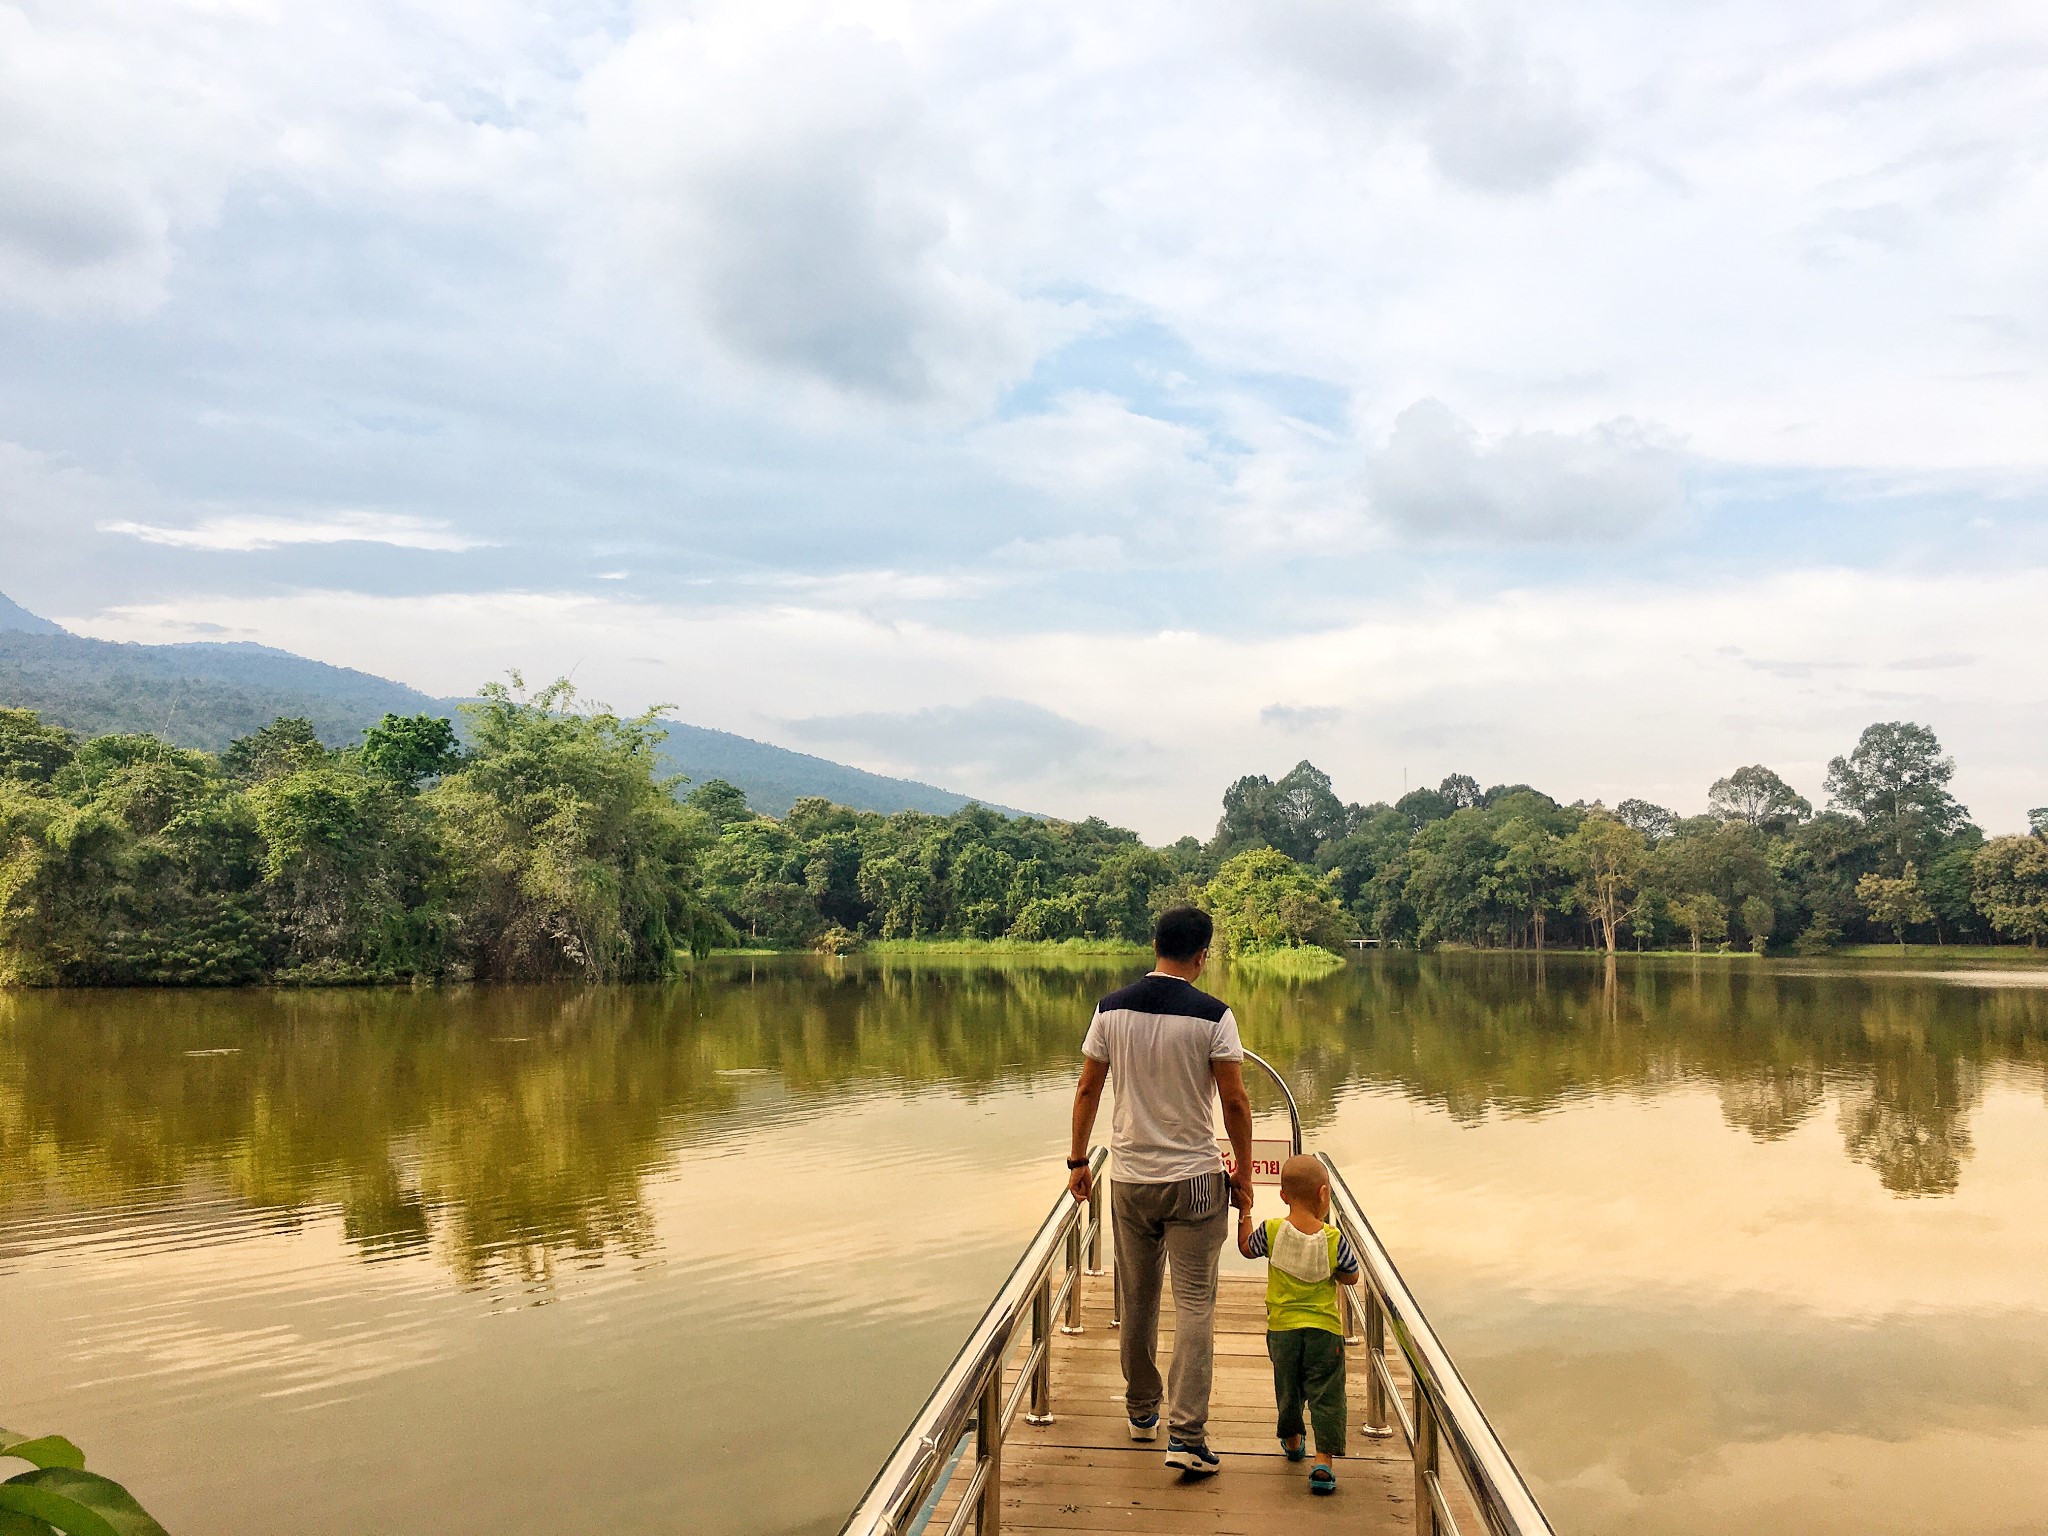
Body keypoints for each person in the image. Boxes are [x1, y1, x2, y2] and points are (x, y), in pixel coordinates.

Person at [1066, 906, 1254, 1477]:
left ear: (1155, 945)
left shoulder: (1109, 1009)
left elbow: (1087, 1088)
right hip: (1196, 1179)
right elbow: (1236, 1102)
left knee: (1138, 1298)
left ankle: (1141, 1413)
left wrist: (1078, 1160)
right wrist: (1243, 1176)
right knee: (1195, 1303)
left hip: (1129, 1177)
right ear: (1202, 955)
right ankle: (1187, 1435)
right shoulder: (1214, 1015)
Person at [1237, 1153, 1361, 1496]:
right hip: (1325, 1332)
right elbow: (1351, 1275)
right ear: (1324, 1194)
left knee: (1288, 1389)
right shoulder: (1333, 1238)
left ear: (1282, 1195)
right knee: (1326, 1394)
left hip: (1283, 1331)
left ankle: (1293, 1441)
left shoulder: (1272, 1231)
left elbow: (1247, 1249)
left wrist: (1244, 1212)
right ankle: (1323, 1461)